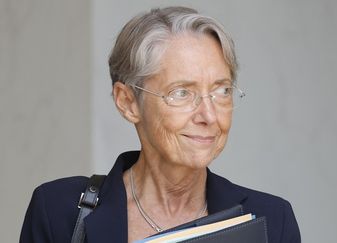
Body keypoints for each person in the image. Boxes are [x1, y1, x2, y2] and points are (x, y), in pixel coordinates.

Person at [20, 6, 300, 243]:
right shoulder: (57, 211)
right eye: (182, 92)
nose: (209, 115)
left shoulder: (273, 222)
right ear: (128, 102)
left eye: (221, 90)